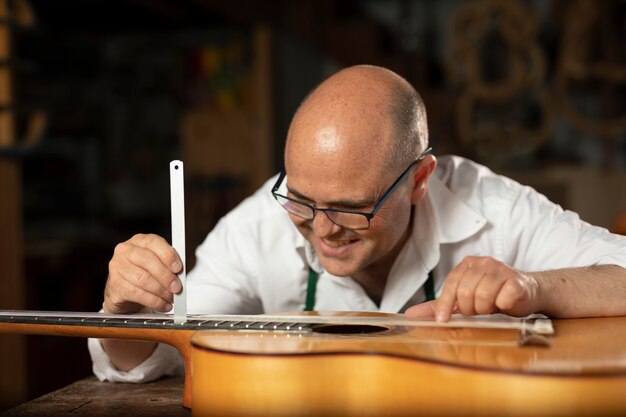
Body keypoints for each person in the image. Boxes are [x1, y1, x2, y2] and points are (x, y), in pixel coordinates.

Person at [89, 64, 626, 382]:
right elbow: (150, 358)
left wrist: (533, 287)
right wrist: (124, 310)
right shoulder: (258, 223)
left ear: (419, 179)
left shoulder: (495, 208)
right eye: (300, 199)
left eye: (350, 207)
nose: (322, 229)